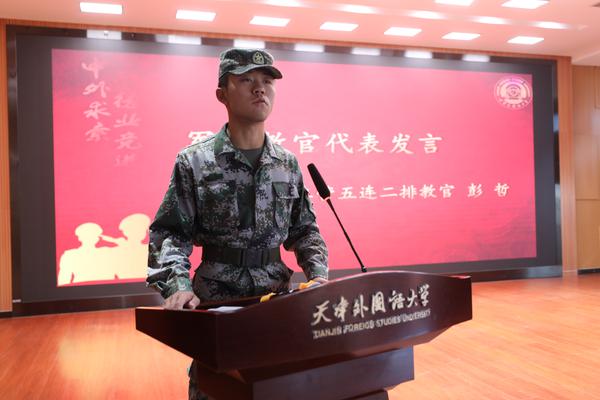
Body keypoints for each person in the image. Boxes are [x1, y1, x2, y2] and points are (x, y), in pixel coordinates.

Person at [146, 48, 329, 400]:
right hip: (217, 300)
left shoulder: (286, 163)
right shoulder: (194, 161)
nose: (260, 88)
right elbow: (170, 232)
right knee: (217, 388)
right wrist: (177, 286)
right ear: (222, 94)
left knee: (275, 384)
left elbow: (305, 230)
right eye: (246, 80)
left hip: (275, 298)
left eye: (267, 81)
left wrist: (318, 276)